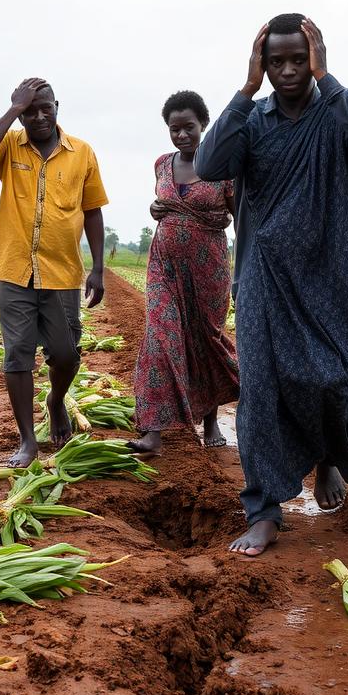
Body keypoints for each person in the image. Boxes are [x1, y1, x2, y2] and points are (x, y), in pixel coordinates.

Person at [195, 15, 348, 557]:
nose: (286, 71)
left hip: (331, 273)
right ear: (262, 64)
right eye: (275, 61)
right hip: (265, 275)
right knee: (260, 391)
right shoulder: (254, 119)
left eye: (297, 60)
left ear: (316, 57)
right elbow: (210, 163)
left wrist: (327, 79)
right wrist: (244, 90)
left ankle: (331, 454)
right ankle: (263, 510)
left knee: (333, 379)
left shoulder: (341, 106)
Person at [0, 79, 108, 467]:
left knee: (65, 355)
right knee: (18, 356)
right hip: (14, 269)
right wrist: (12, 111)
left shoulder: (82, 152)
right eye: (30, 110)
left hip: (62, 273)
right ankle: (27, 440)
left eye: (45, 108)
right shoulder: (9, 144)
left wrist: (97, 267)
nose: (39, 116)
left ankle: (55, 399)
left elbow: (92, 210)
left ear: (57, 106)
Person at [128, 90, 239, 456]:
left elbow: (242, 217)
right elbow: (165, 202)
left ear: (203, 125)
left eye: (188, 127)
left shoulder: (224, 166)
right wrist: (154, 208)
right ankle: (153, 432)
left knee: (204, 340)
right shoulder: (162, 163)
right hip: (164, 266)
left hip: (208, 269)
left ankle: (210, 421)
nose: (181, 135)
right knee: (160, 338)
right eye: (174, 129)